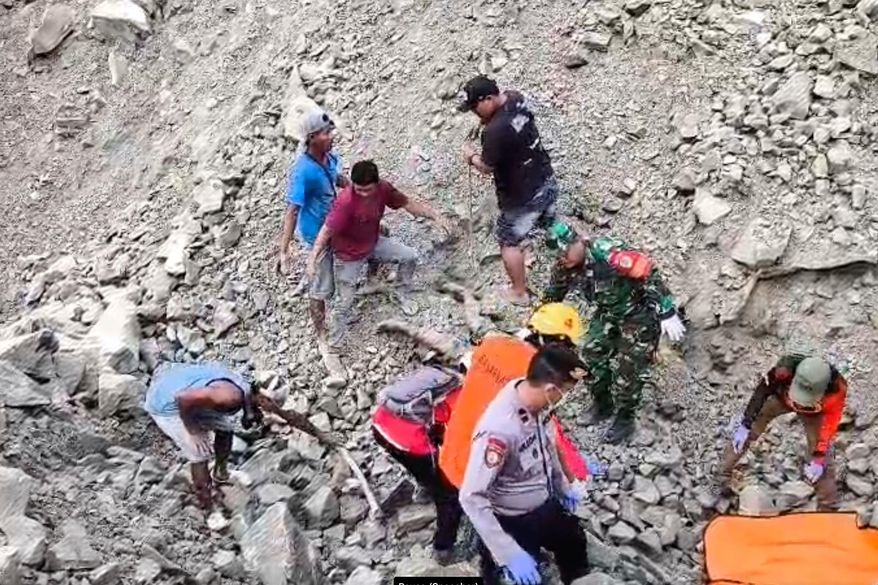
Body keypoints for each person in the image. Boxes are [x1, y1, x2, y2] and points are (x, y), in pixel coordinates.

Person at [542, 221, 686, 444]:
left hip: (639, 316)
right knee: (590, 356)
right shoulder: (564, 265)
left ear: (578, 242)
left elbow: (648, 273)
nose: (564, 258)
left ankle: (625, 418)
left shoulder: (607, 253)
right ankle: (603, 404)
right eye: (559, 255)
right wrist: (539, 324)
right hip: (608, 313)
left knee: (629, 371)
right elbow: (553, 295)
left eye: (566, 251)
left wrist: (665, 310)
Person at [460, 345, 591, 585]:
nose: (565, 398)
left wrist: (564, 488)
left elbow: (548, 449)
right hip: (511, 519)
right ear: (551, 390)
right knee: (512, 579)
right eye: (566, 392)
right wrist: (509, 554)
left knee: (574, 540)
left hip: (543, 503)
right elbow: (470, 496)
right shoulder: (499, 430)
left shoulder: (535, 401)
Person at [307, 160, 449, 346]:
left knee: (410, 256)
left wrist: (435, 215)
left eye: (368, 190)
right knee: (344, 303)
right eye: (359, 190)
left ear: (377, 183)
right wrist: (312, 258)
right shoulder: (345, 202)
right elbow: (326, 231)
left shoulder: (384, 188)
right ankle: (334, 342)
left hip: (373, 243)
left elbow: (407, 203)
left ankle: (401, 291)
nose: (364, 194)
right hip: (348, 256)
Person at [459, 75, 558, 307]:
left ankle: (519, 292)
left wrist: (470, 157)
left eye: (475, 107)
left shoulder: (494, 132)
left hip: (520, 197)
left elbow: (486, 167)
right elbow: (508, 123)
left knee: (508, 241)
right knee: (550, 222)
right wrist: (485, 122)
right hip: (545, 178)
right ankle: (571, 258)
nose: (475, 112)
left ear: (488, 98)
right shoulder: (516, 98)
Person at [143, 362, 284, 509]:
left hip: (180, 385)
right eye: (273, 406)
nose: (273, 411)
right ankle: (205, 502)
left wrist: (251, 413)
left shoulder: (247, 387)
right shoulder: (230, 397)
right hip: (166, 404)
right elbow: (182, 398)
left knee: (226, 430)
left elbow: (247, 414)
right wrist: (194, 432)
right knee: (200, 452)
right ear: (263, 399)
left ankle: (221, 475)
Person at [719, 355, 846, 510]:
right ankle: (721, 478)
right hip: (781, 399)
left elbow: (829, 426)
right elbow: (762, 392)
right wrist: (745, 424)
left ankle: (828, 507)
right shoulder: (783, 371)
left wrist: (819, 458)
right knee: (749, 429)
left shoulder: (836, 390)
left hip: (814, 413)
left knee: (820, 454)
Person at [277, 108, 348, 386]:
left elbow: (337, 178)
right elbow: (292, 211)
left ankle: (374, 274)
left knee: (376, 234)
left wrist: (358, 191)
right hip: (317, 233)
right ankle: (321, 337)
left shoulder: (328, 157)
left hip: (338, 221)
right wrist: (284, 251)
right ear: (312, 138)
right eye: (326, 133)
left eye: (331, 131)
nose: (332, 136)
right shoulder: (303, 171)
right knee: (321, 287)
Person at [371, 365, 464, 565]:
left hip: (379, 425)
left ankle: (425, 486)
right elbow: (451, 430)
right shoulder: (458, 394)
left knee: (427, 465)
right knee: (449, 495)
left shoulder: (437, 374)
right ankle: (444, 547)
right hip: (408, 442)